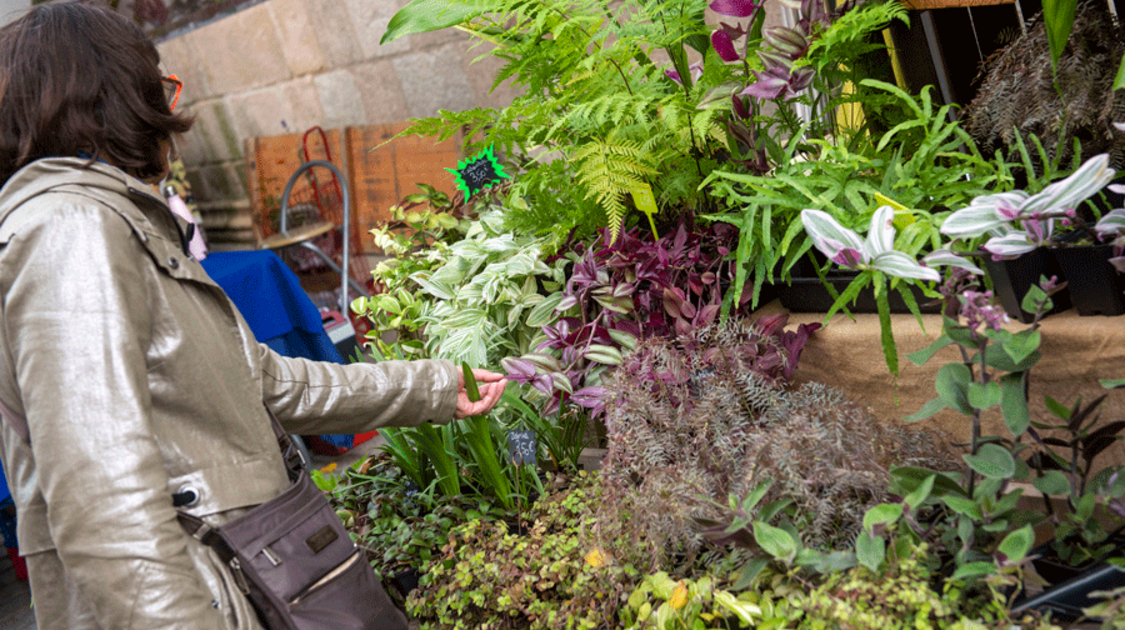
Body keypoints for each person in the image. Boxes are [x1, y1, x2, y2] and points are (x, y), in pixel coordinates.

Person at [0, 4, 506, 629]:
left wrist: (434, 386)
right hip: (205, 592)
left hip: (243, 568)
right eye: (158, 86)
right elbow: (103, 503)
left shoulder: (107, 221)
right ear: (114, 99)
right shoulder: (70, 231)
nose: (168, 110)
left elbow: (267, 383)